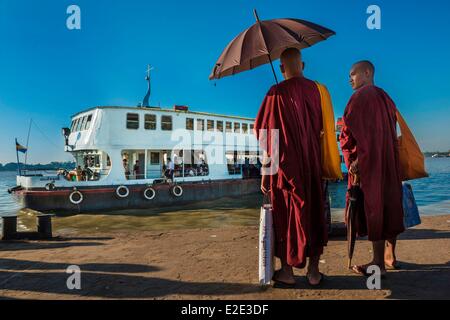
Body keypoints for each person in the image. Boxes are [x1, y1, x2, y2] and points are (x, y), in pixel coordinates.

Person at [254, 48, 328, 287]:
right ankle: (314, 273)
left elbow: (268, 137)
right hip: (313, 164)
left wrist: (266, 173)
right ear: (303, 65)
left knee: (286, 217)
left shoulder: (275, 93)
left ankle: (287, 272)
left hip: (286, 169)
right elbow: (324, 129)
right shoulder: (319, 91)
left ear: (281, 68)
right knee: (315, 212)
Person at [339, 61, 404, 276]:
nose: (350, 79)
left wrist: (354, 162)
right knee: (389, 205)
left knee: (374, 208)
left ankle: (377, 262)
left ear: (367, 73)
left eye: (353, 74)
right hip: (388, 161)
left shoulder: (360, 97)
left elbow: (349, 135)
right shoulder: (386, 98)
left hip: (369, 163)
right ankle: (390, 255)